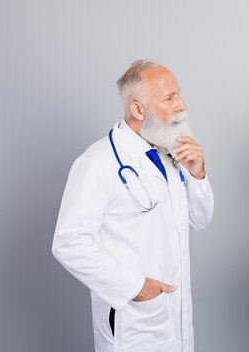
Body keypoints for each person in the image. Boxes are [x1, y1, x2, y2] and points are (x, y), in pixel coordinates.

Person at [52, 59, 214, 352]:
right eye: (169, 98)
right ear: (138, 109)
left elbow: (199, 220)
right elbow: (68, 242)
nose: (181, 105)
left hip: (174, 316)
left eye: (179, 94)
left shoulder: (169, 155)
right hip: (134, 320)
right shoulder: (98, 162)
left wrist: (197, 174)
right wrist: (135, 287)